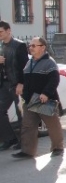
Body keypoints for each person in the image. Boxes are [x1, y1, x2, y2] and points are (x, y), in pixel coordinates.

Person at [13, 37, 64, 158]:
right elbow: (25, 78)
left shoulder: (50, 62)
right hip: (30, 100)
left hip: (44, 100)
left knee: (53, 125)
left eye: (33, 46)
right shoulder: (30, 62)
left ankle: (58, 148)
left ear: (43, 47)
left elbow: (54, 80)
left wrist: (46, 93)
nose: (30, 48)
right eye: (29, 46)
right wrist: (21, 85)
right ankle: (27, 151)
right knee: (28, 126)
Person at [0, 21, 28, 151]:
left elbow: (25, 67)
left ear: (8, 30)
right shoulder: (0, 46)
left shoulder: (19, 45)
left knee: (21, 113)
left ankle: (25, 143)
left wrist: (21, 83)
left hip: (16, 84)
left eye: (0, 31)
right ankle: (9, 138)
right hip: (4, 85)